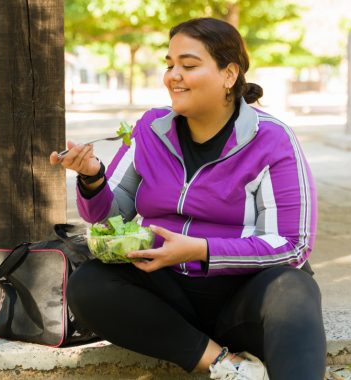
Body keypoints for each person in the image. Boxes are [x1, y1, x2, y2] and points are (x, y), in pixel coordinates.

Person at [50, 17, 325, 380]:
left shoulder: (271, 139)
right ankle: (225, 365)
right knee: (88, 284)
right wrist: (91, 177)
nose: (172, 75)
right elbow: (108, 217)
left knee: (295, 289)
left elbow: (293, 243)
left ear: (229, 74)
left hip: (242, 294)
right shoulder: (150, 129)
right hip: (167, 294)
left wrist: (201, 250)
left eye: (189, 65)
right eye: (170, 64)